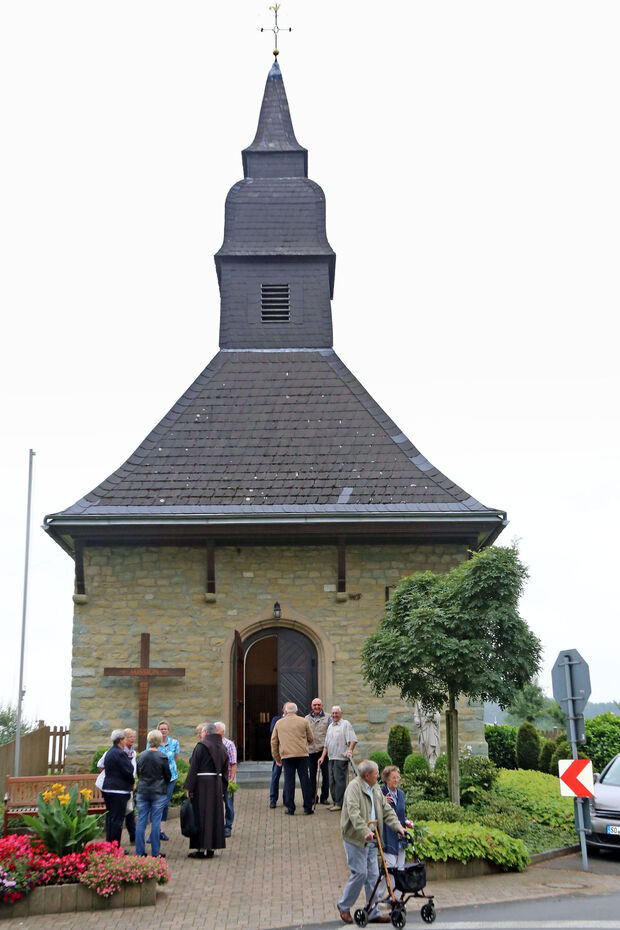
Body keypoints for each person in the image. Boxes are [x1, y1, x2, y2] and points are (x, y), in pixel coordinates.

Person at [337, 759, 405, 925]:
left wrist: (398, 827)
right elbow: (354, 814)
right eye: (376, 773)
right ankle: (344, 906)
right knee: (360, 873)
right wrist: (365, 831)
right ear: (367, 776)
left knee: (374, 875)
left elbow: (386, 809)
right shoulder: (354, 789)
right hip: (356, 838)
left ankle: (373, 911)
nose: (378, 776)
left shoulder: (374, 788)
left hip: (372, 837)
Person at [185, 722, 229, 859]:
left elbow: (194, 766)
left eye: (202, 733)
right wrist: (223, 787)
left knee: (201, 815)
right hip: (216, 785)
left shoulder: (201, 746)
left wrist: (189, 786)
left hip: (202, 786)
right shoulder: (222, 747)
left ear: (206, 733)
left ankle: (200, 849)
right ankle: (211, 848)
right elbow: (225, 769)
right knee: (214, 816)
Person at [270, 702, 314, 815]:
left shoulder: (279, 723)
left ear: (285, 711)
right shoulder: (303, 721)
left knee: (289, 782)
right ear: (296, 711)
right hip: (302, 755)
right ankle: (308, 807)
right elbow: (311, 738)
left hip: (287, 756)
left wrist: (277, 758)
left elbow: (273, 742)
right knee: (305, 781)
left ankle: (290, 808)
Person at [377, 765, 413, 902]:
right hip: (387, 835)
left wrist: (407, 822)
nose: (396, 780)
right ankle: (382, 894)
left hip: (400, 835)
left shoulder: (401, 794)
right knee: (390, 867)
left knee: (400, 868)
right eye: (393, 777)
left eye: (398, 777)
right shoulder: (380, 793)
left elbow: (401, 814)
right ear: (386, 779)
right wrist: (382, 803)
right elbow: (374, 812)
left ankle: (396, 898)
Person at [96, 727, 137, 843]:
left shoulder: (109, 752)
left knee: (110, 818)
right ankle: (115, 846)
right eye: (125, 738)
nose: (126, 740)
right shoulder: (120, 754)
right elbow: (128, 771)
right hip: (118, 791)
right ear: (120, 740)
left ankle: (109, 844)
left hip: (107, 788)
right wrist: (132, 782)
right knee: (117, 820)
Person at [135, 729, 171, 858]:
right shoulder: (162, 757)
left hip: (143, 790)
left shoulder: (141, 756)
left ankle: (139, 852)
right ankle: (155, 852)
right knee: (156, 821)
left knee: (141, 821)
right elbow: (168, 775)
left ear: (149, 741)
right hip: (158, 791)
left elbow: (139, 774)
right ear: (160, 741)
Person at [318, 705, 357, 811]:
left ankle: (339, 803)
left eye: (336, 713)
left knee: (339, 781)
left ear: (341, 714)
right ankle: (335, 801)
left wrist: (349, 750)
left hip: (341, 757)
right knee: (331, 781)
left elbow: (353, 740)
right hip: (331, 757)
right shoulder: (330, 726)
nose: (334, 715)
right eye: (333, 713)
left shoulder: (346, 724)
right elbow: (326, 744)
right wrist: (322, 757)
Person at [153, 719, 179, 842]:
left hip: (171, 777)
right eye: (161, 729)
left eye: (165, 729)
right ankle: (154, 831)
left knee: (165, 803)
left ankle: (161, 831)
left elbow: (176, 758)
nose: (163, 731)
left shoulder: (174, 743)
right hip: (157, 778)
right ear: (158, 730)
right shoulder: (152, 743)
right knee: (156, 803)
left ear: (168, 731)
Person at [305, 697, 331, 805]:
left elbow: (330, 734)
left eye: (319, 705)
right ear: (311, 706)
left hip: (323, 751)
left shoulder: (328, 717)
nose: (317, 707)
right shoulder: (306, 718)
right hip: (311, 751)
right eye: (315, 705)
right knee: (312, 775)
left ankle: (324, 797)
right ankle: (312, 797)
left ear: (322, 706)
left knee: (326, 775)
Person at [214, 721, 237, 837]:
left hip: (226, 779)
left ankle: (228, 826)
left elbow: (233, 763)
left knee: (228, 804)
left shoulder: (229, 744)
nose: (214, 731)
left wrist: (231, 779)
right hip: (215, 780)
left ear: (222, 731)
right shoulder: (211, 744)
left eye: (216, 729)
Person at [268, 704, 285, 808]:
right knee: (275, 776)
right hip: (278, 753)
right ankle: (273, 799)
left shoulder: (296, 720)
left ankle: (287, 799)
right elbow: (273, 731)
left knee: (288, 777)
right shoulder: (276, 719)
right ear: (283, 710)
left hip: (289, 753)